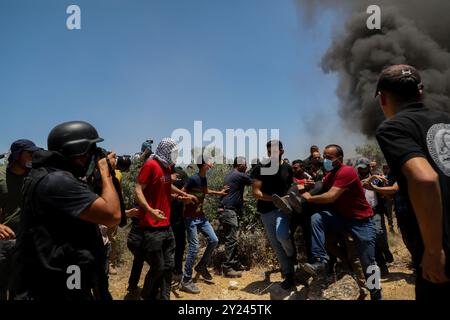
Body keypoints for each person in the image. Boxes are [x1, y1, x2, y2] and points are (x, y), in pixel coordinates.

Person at [12, 121, 122, 300]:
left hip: (60, 269)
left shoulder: (48, 174)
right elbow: (112, 215)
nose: (95, 157)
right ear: (80, 152)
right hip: (57, 280)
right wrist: (105, 172)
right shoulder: (57, 181)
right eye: (92, 151)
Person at [375, 64, 450, 299]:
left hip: (444, 249)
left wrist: (433, 251)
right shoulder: (446, 119)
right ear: (421, 91)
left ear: (382, 99)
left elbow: (425, 179)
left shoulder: (394, 127)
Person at [301, 144, 382, 300]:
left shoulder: (347, 171)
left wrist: (310, 198)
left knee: (369, 262)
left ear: (340, 158)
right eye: (324, 157)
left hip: (361, 221)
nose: (325, 160)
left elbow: (331, 196)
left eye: (329, 158)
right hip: (343, 218)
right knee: (317, 218)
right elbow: (321, 186)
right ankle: (320, 262)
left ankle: (376, 294)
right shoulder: (330, 174)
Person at [135, 138, 196, 300]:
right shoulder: (151, 165)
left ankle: (164, 297)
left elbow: (166, 186)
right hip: (151, 226)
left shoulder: (167, 167)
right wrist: (149, 210)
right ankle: (145, 296)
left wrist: (182, 196)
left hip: (166, 225)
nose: (176, 155)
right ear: (165, 151)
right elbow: (138, 189)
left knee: (168, 267)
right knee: (158, 267)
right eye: (174, 152)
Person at [179, 156, 228, 294]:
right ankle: (186, 280)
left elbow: (206, 192)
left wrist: (219, 193)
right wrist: (186, 199)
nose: (212, 163)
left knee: (214, 240)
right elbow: (181, 192)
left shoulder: (203, 178)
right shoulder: (193, 179)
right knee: (194, 247)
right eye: (210, 161)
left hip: (201, 217)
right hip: (190, 218)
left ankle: (201, 266)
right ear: (205, 165)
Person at [251, 140, 296, 290]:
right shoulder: (260, 168)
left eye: (275, 152)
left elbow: (291, 186)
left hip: (284, 209)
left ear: (282, 151)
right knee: (276, 245)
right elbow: (256, 193)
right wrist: (275, 199)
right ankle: (289, 274)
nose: (272, 155)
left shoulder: (287, 168)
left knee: (282, 235)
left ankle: (292, 257)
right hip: (266, 211)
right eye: (270, 152)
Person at [0, 139, 41, 300]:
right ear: (17, 155)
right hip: (3, 243)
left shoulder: (35, 176)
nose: (33, 156)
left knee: (22, 291)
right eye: (29, 153)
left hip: (28, 242)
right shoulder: (1, 175)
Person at [356, 157, 394, 276]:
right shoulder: (356, 179)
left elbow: (385, 191)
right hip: (363, 213)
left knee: (380, 235)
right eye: (359, 168)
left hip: (376, 211)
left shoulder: (377, 178)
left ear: (368, 167)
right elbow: (363, 184)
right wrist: (372, 178)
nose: (361, 170)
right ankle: (382, 266)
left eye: (364, 167)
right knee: (371, 239)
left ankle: (386, 251)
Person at [218, 156, 253, 278]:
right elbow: (254, 181)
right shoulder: (239, 175)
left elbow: (232, 192)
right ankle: (227, 268)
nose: (247, 166)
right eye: (245, 164)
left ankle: (234, 263)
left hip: (226, 210)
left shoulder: (230, 174)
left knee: (231, 238)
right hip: (229, 211)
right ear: (239, 165)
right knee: (231, 239)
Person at [170, 167, 189, 279]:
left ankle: (177, 270)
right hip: (164, 215)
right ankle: (167, 270)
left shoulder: (181, 173)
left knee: (180, 244)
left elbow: (187, 186)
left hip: (179, 215)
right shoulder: (162, 171)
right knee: (168, 245)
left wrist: (177, 195)